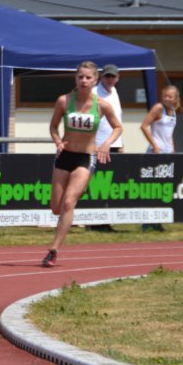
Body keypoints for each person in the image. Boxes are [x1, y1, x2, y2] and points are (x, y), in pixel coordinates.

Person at [43, 61, 122, 267]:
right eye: (80, 77)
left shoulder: (102, 105)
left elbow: (118, 127)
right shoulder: (64, 101)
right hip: (64, 156)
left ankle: (54, 250)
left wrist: (106, 144)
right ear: (75, 79)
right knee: (56, 208)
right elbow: (53, 127)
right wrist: (58, 142)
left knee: (69, 202)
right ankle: (62, 223)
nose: (84, 81)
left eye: (88, 77)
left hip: (85, 158)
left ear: (95, 80)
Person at [140, 84, 180, 232]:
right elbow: (144, 126)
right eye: (165, 96)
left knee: (163, 187)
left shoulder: (174, 111)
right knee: (152, 187)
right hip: (155, 153)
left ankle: (157, 221)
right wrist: (154, 145)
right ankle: (146, 222)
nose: (167, 99)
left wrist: (172, 148)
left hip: (167, 153)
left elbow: (169, 133)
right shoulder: (158, 108)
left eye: (170, 96)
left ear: (175, 98)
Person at [89, 64, 124, 233]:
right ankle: (95, 222)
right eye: (107, 76)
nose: (110, 79)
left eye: (113, 76)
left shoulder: (115, 92)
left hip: (113, 144)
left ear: (118, 78)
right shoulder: (94, 92)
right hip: (98, 145)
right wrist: (94, 144)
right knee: (98, 184)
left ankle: (105, 220)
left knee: (110, 184)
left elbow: (117, 121)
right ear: (101, 77)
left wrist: (120, 143)